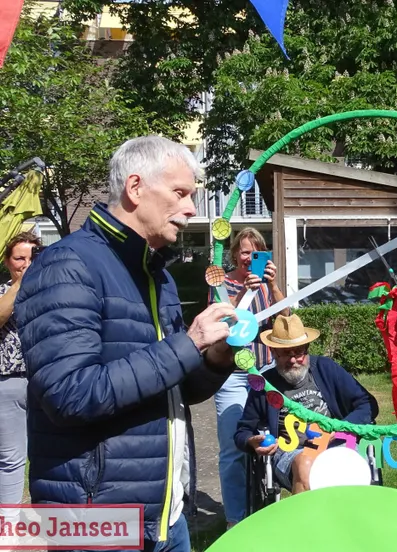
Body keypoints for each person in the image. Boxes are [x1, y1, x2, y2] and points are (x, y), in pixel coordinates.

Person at [14, 136, 238, 552]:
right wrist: (188, 343)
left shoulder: (158, 276)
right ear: (135, 188)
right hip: (98, 521)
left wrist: (216, 355)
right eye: (180, 193)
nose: (192, 208)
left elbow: (176, 387)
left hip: (166, 519)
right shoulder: (68, 265)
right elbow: (69, 394)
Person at [235, 313, 379, 495]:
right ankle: (308, 523)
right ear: (273, 352)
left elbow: (367, 404)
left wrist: (343, 428)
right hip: (292, 452)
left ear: (307, 348)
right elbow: (242, 432)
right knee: (306, 464)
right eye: (286, 354)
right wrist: (251, 442)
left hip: (338, 444)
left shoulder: (325, 368)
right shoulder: (264, 385)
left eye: (299, 352)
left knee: (346, 470)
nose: (294, 360)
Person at [211, 227, 287, 529]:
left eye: (256, 252)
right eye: (244, 251)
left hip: (266, 374)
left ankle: (269, 514)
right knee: (234, 448)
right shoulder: (223, 283)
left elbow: (287, 321)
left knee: (274, 443)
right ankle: (236, 521)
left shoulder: (269, 287)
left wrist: (273, 285)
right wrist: (246, 291)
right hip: (233, 376)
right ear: (234, 254)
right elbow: (223, 321)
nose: (249, 258)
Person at [0, 231, 40, 512]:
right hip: (10, 383)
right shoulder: (3, 292)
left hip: (45, 382)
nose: (25, 264)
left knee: (48, 452)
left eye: (31, 258)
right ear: (6, 261)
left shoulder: (51, 290)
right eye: (19, 258)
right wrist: (19, 285)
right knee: (12, 458)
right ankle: (7, 527)